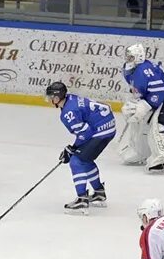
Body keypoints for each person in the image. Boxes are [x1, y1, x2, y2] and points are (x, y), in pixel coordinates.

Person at [45, 80, 114, 211]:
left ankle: (82, 199)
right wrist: (73, 148)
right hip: (107, 127)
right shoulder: (71, 99)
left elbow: (85, 132)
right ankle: (99, 193)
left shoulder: (67, 113)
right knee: (85, 159)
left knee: (76, 161)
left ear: (57, 97)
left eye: (50, 97)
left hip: (100, 131)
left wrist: (72, 148)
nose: (49, 100)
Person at [117, 43, 164, 171]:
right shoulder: (129, 69)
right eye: (128, 57)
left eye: (131, 57)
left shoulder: (144, 70)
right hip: (163, 94)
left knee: (160, 126)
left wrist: (146, 105)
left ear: (139, 57)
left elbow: (158, 91)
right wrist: (136, 102)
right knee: (143, 123)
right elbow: (139, 89)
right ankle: (141, 153)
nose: (128, 60)